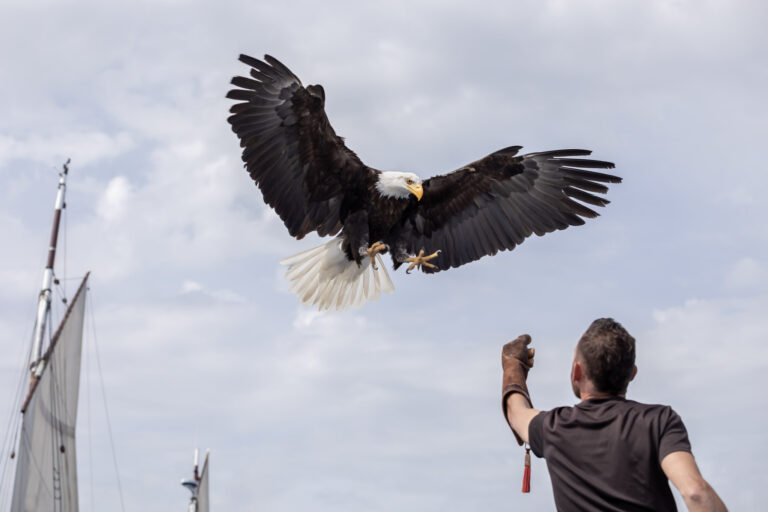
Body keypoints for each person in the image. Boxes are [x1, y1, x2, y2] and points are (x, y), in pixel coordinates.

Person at [501, 318, 727, 512]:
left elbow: (516, 412)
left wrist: (513, 366)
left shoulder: (552, 427)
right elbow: (695, 492)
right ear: (632, 374)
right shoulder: (659, 420)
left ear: (577, 371)